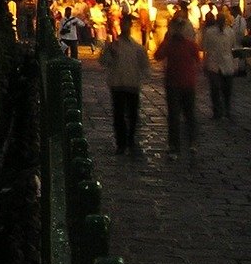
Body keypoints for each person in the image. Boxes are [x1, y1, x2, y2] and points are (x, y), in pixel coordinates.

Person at [100, 13, 150, 155]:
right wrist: (109, 51)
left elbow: (145, 66)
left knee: (132, 115)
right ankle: (122, 142)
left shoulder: (137, 47)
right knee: (119, 115)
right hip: (118, 84)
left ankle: (129, 140)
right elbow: (104, 62)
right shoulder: (113, 46)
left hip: (131, 84)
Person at [155, 20, 202, 161]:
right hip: (180, 84)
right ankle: (184, 144)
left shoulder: (184, 44)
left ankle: (182, 144)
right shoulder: (177, 44)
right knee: (181, 116)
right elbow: (158, 56)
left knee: (182, 116)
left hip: (180, 84)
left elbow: (158, 56)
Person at [199, 11, 237, 120]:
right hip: (214, 64)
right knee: (215, 89)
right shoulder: (210, 32)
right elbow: (204, 47)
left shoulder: (230, 32)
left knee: (227, 90)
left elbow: (232, 47)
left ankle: (226, 110)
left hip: (225, 64)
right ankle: (218, 111)